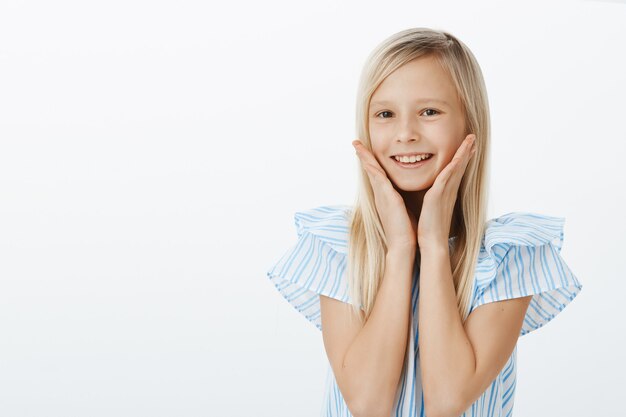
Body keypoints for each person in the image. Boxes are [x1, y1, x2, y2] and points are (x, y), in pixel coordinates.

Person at [266, 27, 583, 417]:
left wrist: (432, 244)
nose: (405, 134)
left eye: (429, 112)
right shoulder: (339, 245)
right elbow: (368, 405)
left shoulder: (509, 254)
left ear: (472, 126)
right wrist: (401, 247)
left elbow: (447, 400)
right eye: (385, 114)